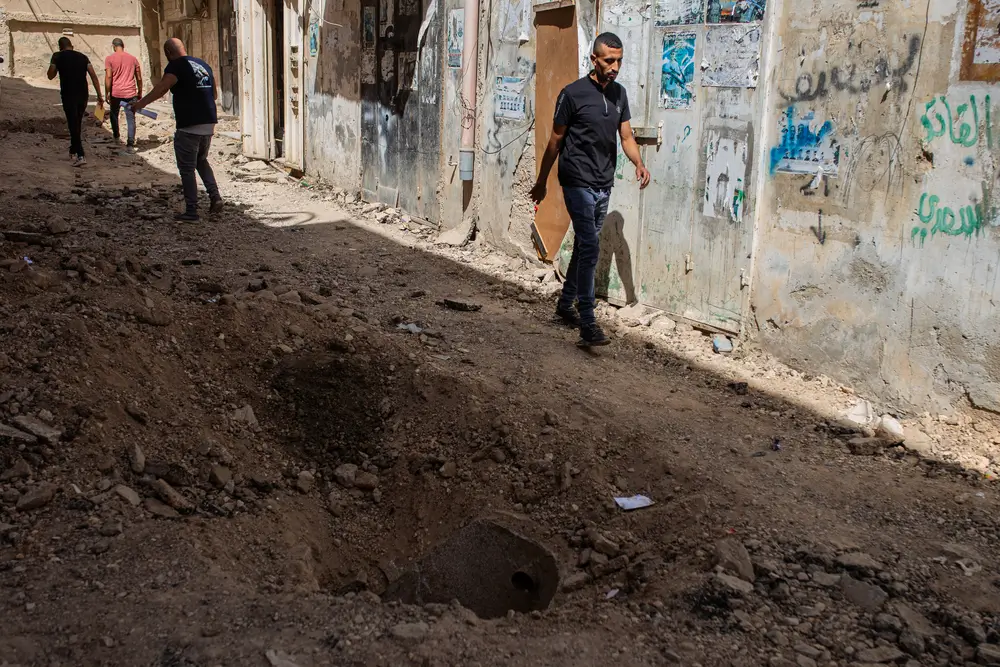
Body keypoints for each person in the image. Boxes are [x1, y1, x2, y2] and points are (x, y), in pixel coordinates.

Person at [530, 32, 650, 347]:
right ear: (594, 59)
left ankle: (564, 303)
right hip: (576, 180)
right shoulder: (572, 94)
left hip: (602, 181)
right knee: (591, 246)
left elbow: (625, 137)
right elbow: (555, 141)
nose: (615, 67)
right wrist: (542, 181)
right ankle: (587, 320)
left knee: (585, 246)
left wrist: (638, 162)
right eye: (609, 60)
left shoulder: (620, 95)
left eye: (619, 61)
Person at [132, 38, 222, 221]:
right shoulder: (203, 64)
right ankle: (215, 197)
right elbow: (214, 94)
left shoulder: (176, 66)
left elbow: (161, 88)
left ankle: (191, 211)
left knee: (187, 168)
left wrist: (140, 104)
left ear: (168, 53)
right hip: (208, 124)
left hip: (189, 125)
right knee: (201, 161)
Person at [47, 37, 104, 167]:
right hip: (83, 95)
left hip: (68, 95)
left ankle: (81, 155)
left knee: (73, 124)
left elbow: (50, 75)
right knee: (76, 122)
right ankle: (73, 149)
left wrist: (54, 64)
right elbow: (93, 76)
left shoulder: (57, 56)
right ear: (71, 45)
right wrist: (100, 95)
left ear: (60, 46)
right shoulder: (83, 57)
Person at [104, 38, 143, 150]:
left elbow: (109, 76)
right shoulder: (133, 59)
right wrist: (139, 91)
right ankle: (130, 144)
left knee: (114, 114)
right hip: (131, 93)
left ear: (113, 46)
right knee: (130, 117)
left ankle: (116, 137)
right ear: (123, 46)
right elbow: (139, 78)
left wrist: (107, 92)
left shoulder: (109, 59)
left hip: (115, 93)